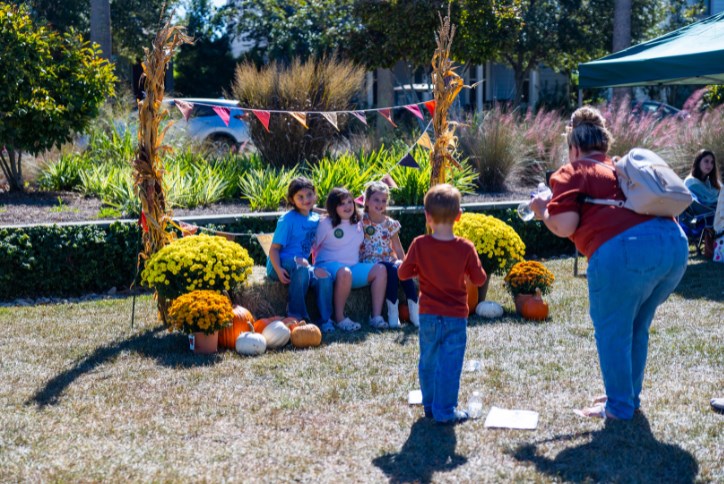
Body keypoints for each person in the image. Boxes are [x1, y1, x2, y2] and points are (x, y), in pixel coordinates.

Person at [529, 106, 689, 420]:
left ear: (573, 147)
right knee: (636, 328)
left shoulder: (573, 170)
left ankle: (618, 406)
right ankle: (626, 396)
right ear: (605, 144)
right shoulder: (620, 168)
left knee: (614, 331)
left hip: (625, 251)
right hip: (675, 245)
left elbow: (564, 225)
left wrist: (542, 209)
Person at [398, 184, 487, 425]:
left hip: (428, 314)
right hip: (456, 316)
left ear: (427, 216)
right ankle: (445, 410)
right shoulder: (465, 247)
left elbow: (403, 273)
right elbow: (480, 279)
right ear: (459, 216)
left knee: (428, 359)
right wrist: (467, 274)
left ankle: (430, 405)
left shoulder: (418, 244)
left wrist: (419, 267)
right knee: (450, 362)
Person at [313, 187, 388, 331]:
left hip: (352, 267)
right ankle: (339, 318)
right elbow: (312, 246)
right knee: (345, 272)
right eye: (341, 203)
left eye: (349, 202)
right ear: (333, 206)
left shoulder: (359, 221)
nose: (347, 206)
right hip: (328, 267)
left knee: (380, 269)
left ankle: (376, 317)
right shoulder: (325, 223)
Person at [266, 177, 333, 329]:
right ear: (292, 199)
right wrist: (278, 269)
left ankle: (325, 320)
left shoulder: (316, 218)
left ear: (315, 195)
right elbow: (274, 250)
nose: (306, 200)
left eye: (309, 195)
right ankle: (295, 315)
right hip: (279, 264)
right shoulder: (287, 220)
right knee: (302, 266)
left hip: (301, 265)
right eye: (300, 197)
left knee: (325, 275)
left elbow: (324, 213)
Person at [360, 181, 420, 328]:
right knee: (393, 268)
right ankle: (393, 314)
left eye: (383, 201)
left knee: (399, 268)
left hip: (388, 260)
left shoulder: (390, 224)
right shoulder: (361, 220)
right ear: (366, 201)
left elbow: (398, 248)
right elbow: (336, 212)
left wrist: (406, 265)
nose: (380, 204)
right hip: (371, 263)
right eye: (376, 199)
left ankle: (413, 312)